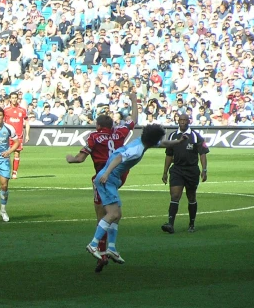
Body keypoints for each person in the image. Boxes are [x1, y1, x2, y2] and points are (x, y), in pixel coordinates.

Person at [87, 124, 184, 264]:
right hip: (107, 179)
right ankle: (93, 244)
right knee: (113, 214)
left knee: (117, 215)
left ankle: (112, 248)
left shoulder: (141, 141)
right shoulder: (137, 150)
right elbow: (119, 158)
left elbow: (163, 143)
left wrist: (178, 141)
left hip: (111, 179)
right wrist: (107, 173)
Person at [66, 93, 138, 272]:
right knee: (115, 214)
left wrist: (70, 159)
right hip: (119, 177)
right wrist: (134, 100)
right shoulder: (120, 132)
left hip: (103, 179)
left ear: (98, 126)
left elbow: (81, 158)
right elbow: (134, 120)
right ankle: (110, 248)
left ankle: (100, 251)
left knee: (102, 217)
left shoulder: (94, 137)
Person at [161, 113, 209, 233]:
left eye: (184, 120)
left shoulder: (196, 136)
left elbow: (202, 154)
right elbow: (169, 155)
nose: (182, 122)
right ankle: (170, 224)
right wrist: (165, 172)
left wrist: (204, 170)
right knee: (175, 196)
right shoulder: (173, 135)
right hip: (177, 169)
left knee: (191, 196)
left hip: (191, 170)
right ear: (178, 121)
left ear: (189, 122)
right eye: (180, 120)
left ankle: (191, 223)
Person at [4, 91, 30, 179]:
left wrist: (27, 135)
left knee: (16, 154)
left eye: (15, 98)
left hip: (18, 136)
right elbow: (2, 122)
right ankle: (6, 172)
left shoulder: (22, 110)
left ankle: (14, 172)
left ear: (17, 98)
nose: (14, 99)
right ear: (10, 99)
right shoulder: (6, 110)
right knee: (6, 154)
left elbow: (27, 122)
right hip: (8, 136)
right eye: (12, 98)